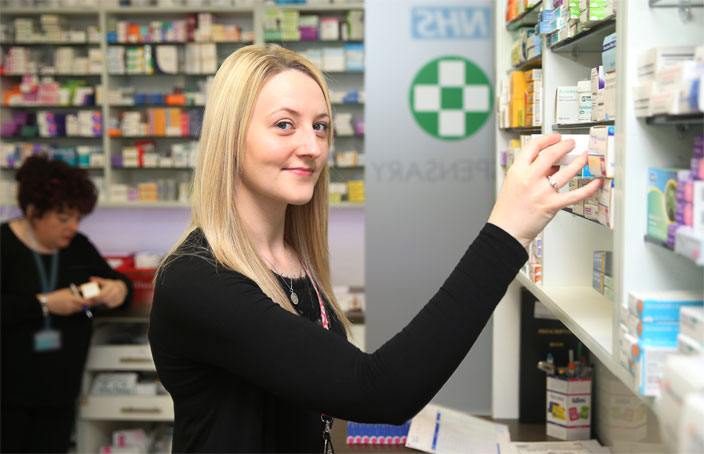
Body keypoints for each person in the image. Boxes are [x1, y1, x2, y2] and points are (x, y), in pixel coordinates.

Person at [149, 44, 601, 453]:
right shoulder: (197, 279)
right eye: (284, 125)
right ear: (230, 137)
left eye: (320, 126)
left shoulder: (289, 257)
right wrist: (508, 232)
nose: (311, 146)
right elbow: (379, 390)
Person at [1, 155, 133, 453]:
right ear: (34, 211)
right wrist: (45, 304)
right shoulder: (4, 246)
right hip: (10, 396)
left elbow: (119, 282)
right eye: (63, 218)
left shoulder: (78, 247)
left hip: (60, 391)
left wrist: (117, 290)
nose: (72, 227)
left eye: (77, 218)